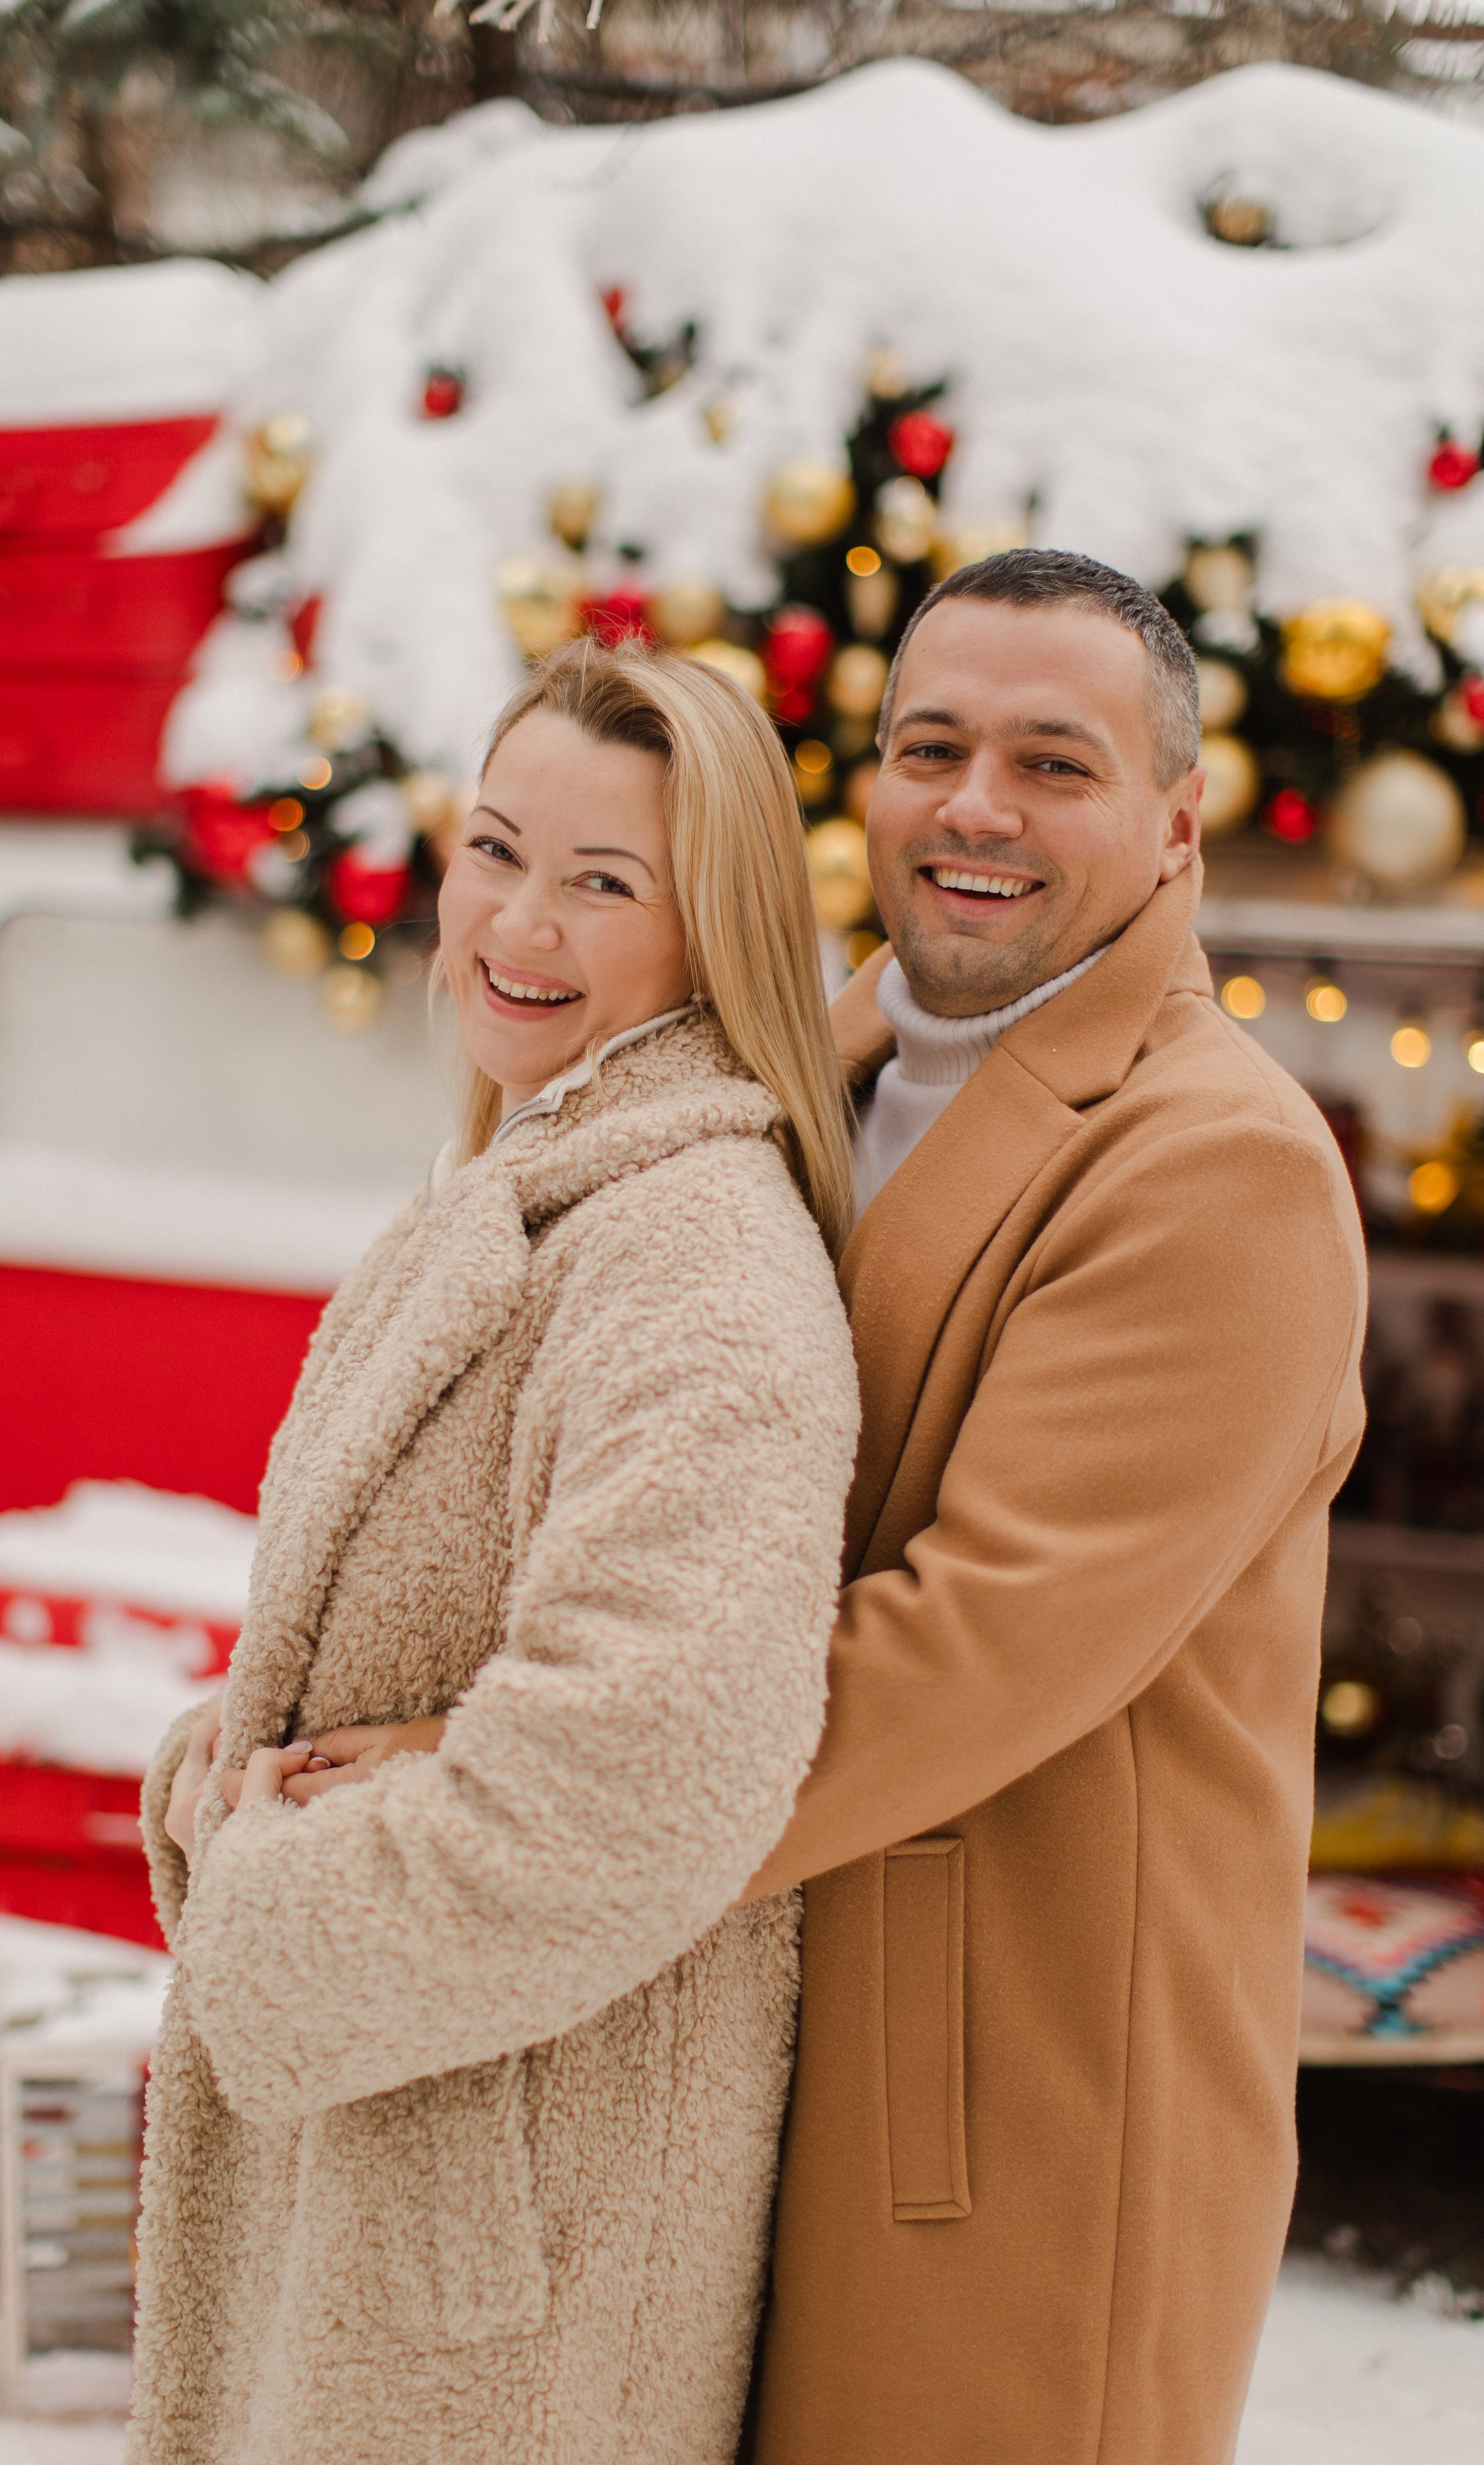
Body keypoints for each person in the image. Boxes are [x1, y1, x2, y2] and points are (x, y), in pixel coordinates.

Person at [131, 640, 860, 2465]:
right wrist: (234, 1763)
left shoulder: (696, 1256)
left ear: (717, 926)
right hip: (403, 2183)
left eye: (605, 882)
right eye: (494, 850)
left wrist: (267, 1908)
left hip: (507, 2266)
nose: (516, 924)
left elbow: (647, 1769)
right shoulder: (533, 1181)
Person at [736, 548, 1368, 2465]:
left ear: (1178, 822)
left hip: (1011, 2121)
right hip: (770, 2039)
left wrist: (506, 1799)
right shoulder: (809, 1059)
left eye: (1054, 762)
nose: (976, 807)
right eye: (931, 747)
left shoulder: (1222, 1167)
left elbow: (963, 1650)